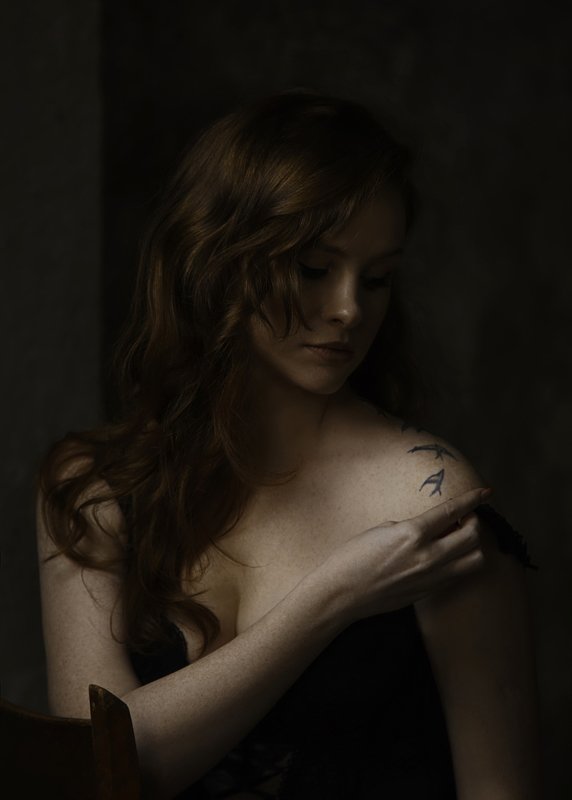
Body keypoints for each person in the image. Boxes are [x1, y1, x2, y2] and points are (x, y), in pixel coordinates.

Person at [35, 88, 543, 799]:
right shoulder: (92, 486)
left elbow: (501, 789)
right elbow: (95, 773)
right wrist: (333, 597)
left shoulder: (428, 496)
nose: (349, 309)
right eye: (312, 268)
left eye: (377, 278)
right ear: (218, 257)